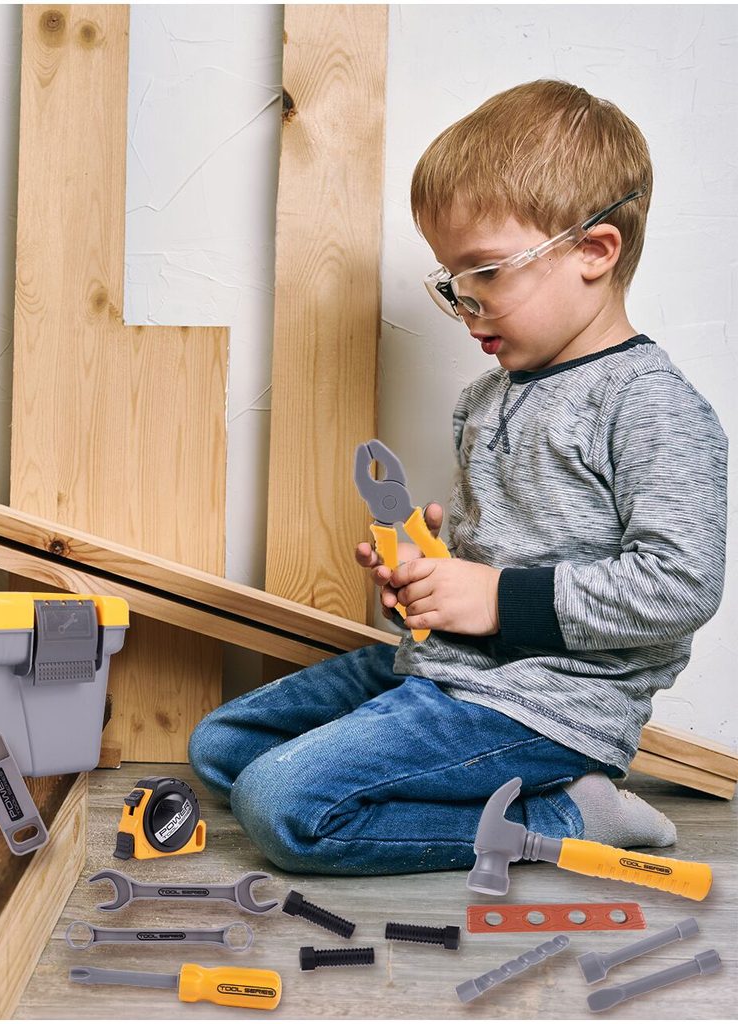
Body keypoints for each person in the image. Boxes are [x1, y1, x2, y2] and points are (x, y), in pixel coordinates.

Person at [187, 79, 729, 876]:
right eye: (452, 280)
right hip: (446, 668)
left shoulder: (650, 405)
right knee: (222, 744)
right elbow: (483, 569)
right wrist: (426, 582)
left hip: (548, 702)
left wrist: (494, 597)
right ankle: (468, 790)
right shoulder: (484, 399)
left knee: (281, 805)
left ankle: (570, 813)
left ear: (595, 251)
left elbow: (682, 586)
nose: (467, 303)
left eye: (486, 272)